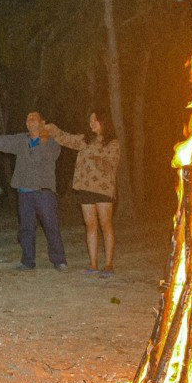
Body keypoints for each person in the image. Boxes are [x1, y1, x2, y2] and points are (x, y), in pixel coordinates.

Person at [0, 111, 69, 271]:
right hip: (24, 192)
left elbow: (54, 155)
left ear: (42, 122)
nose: (29, 122)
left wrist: (44, 140)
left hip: (44, 192)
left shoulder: (52, 142)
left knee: (51, 226)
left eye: (33, 119)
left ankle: (59, 260)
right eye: (27, 119)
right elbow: (4, 141)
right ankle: (27, 261)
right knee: (26, 228)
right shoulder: (21, 140)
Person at [53, 109, 123, 277]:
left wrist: (96, 158)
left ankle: (108, 265)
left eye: (95, 120)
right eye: (90, 120)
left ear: (104, 122)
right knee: (90, 225)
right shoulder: (85, 140)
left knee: (106, 225)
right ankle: (93, 264)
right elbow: (66, 138)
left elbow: (110, 165)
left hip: (103, 189)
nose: (91, 123)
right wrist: (52, 129)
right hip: (85, 188)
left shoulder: (113, 143)